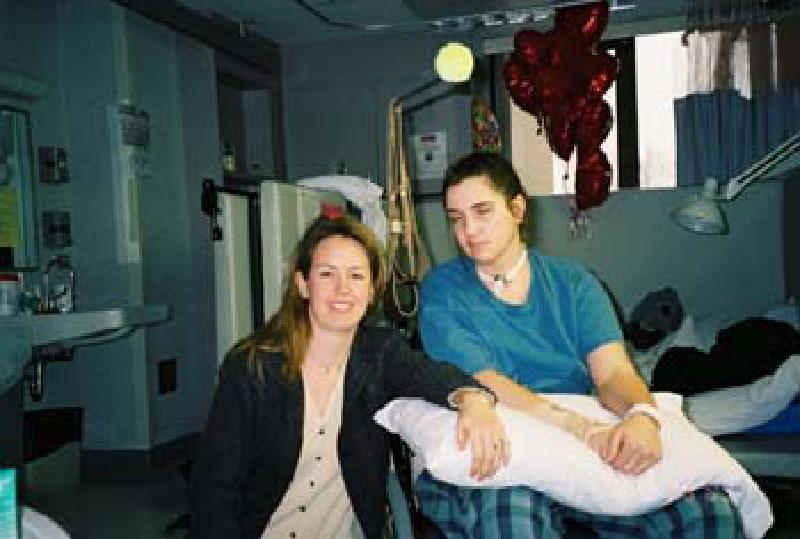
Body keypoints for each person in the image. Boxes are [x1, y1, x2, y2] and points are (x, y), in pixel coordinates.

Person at [417, 151, 744, 538]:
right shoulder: (444, 291)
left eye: (482, 211)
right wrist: (580, 429)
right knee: (512, 516)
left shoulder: (575, 285)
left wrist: (641, 413)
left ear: (518, 209)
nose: (469, 230)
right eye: (456, 218)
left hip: (581, 443)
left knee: (707, 513)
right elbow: (485, 381)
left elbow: (612, 372)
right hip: (510, 440)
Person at [188, 215, 509, 539]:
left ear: (371, 291)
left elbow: (435, 376)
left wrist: (474, 400)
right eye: (327, 274)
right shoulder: (252, 367)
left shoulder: (381, 354)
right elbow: (213, 488)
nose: (343, 289)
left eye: (356, 276)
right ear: (302, 284)